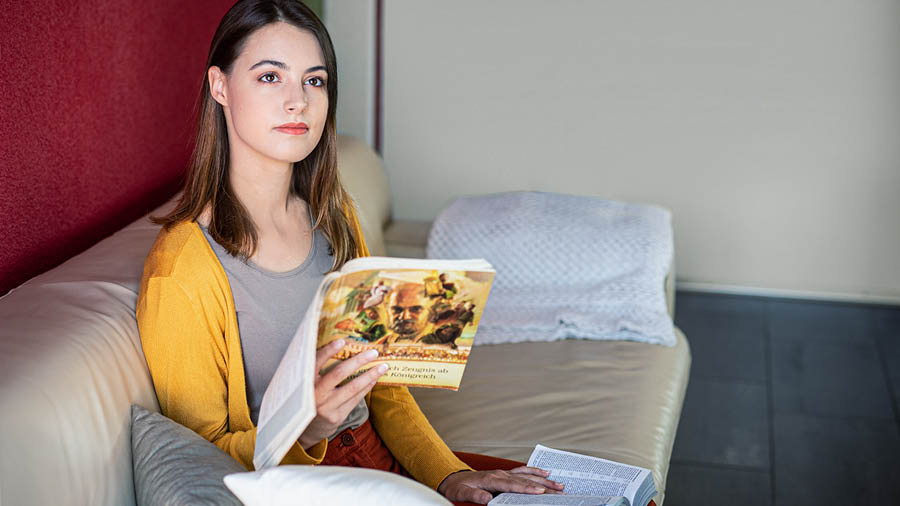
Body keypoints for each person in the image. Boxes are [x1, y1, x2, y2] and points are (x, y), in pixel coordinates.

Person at [135, 1, 563, 503]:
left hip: (383, 458)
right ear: (221, 87)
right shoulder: (184, 265)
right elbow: (203, 459)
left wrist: (447, 475)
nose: (298, 101)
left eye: (314, 81)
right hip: (305, 486)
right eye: (270, 77)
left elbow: (384, 385)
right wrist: (306, 429)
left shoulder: (334, 218)